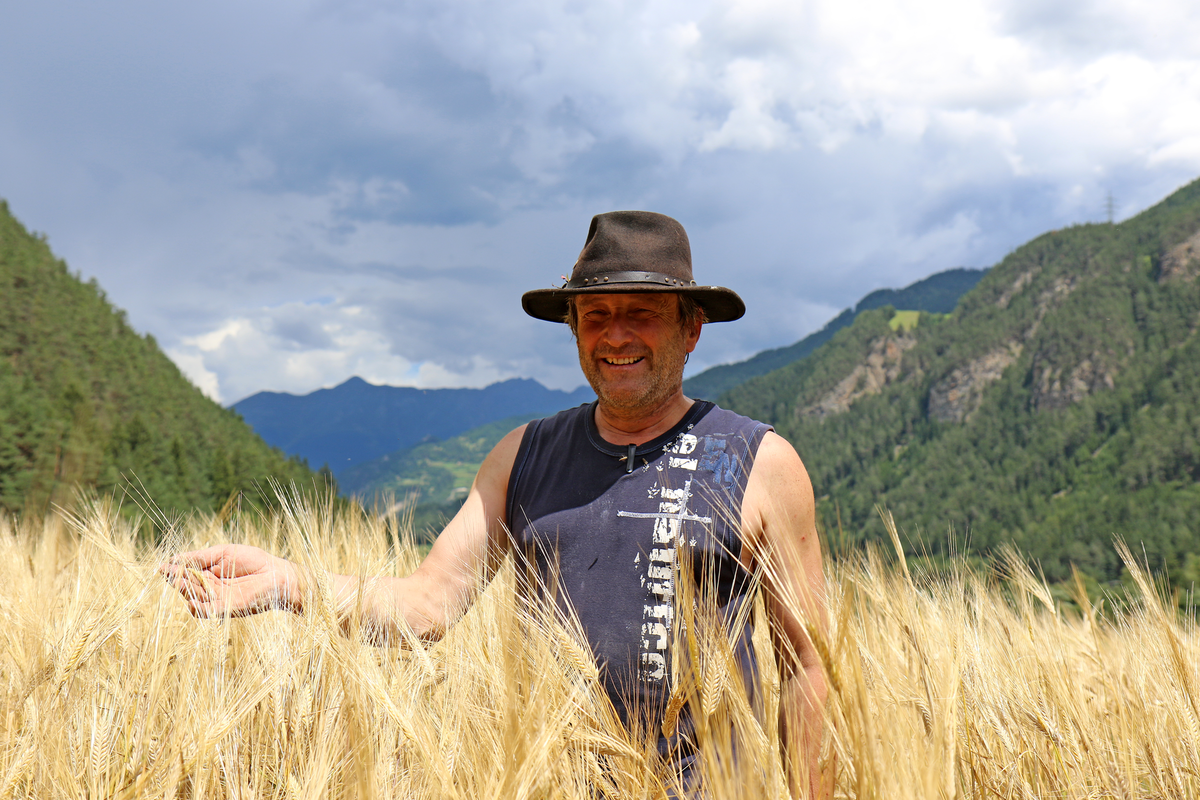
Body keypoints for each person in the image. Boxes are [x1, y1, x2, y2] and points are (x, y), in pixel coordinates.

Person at [163, 211, 828, 797]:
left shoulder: (760, 463)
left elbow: (807, 665)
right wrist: (288, 581)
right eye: (596, 315)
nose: (616, 336)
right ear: (574, 330)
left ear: (692, 329)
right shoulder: (522, 456)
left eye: (642, 314)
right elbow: (426, 605)